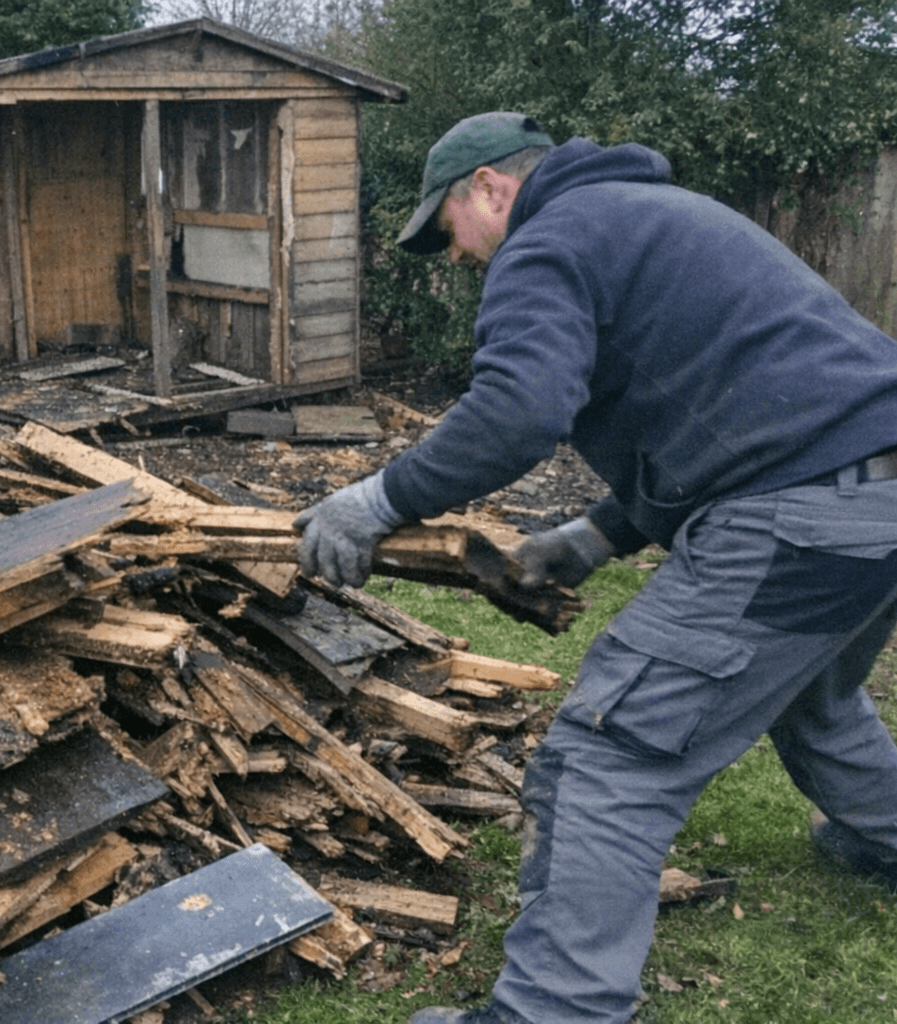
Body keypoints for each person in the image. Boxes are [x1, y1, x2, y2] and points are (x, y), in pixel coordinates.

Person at [295, 111, 897, 1024]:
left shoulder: (547, 242)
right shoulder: (644, 214)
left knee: (607, 762)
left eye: (447, 230)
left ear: (489, 188)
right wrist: (597, 536)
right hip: (875, 488)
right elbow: (728, 409)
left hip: (804, 512)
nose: (456, 257)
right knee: (812, 694)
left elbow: (518, 410)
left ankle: (554, 1012)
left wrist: (372, 503)